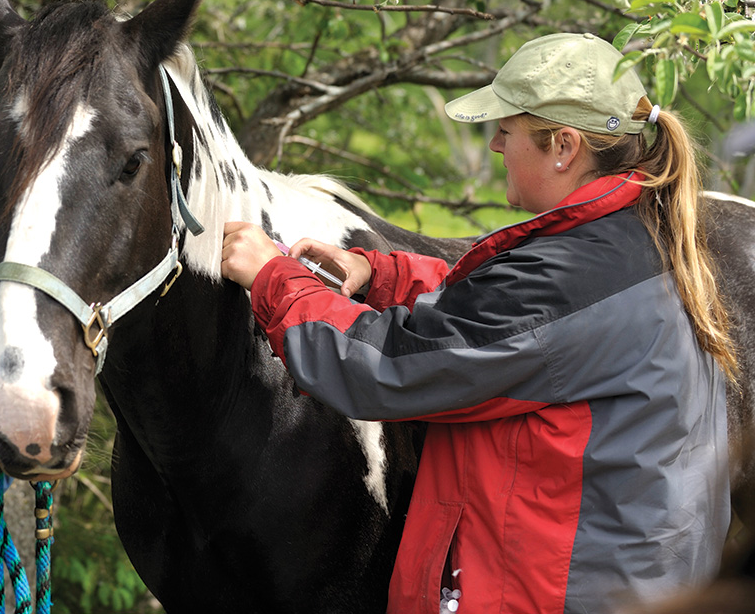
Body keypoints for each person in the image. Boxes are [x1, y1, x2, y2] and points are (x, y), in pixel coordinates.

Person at [220, 33, 735, 614]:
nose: (494, 144)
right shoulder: (634, 239)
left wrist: (273, 279)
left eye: (507, 130)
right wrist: (380, 275)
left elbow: (384, 369)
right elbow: (513, 325)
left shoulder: (570, 278)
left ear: (563, 146)